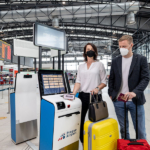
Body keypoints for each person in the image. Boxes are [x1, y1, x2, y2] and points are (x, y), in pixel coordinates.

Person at [108, 35, 149, 139]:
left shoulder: (141, 59)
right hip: (119, 100)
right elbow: (111, 78)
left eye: (124, 46)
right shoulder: (115, 61)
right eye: (120, 46)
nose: (122, 49)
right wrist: (111, 94)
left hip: (135, 100)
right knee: (123, 130)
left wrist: (135, 92)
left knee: (140, 130)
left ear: (131, 45)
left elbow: (145, 78)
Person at [71, 43, 107, 144]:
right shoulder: (81, 66)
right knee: (80, 120)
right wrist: (73, 94)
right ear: (85, 52)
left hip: (95, 96)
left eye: (91, 49)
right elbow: (78, 82)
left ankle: (96, 142)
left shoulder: (99, 64)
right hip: (83, 96)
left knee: (96, 120)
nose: (89, 51)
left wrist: (97, 88)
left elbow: (104, 81)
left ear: (95, 52)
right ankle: (83, 142)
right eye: (87, 49)